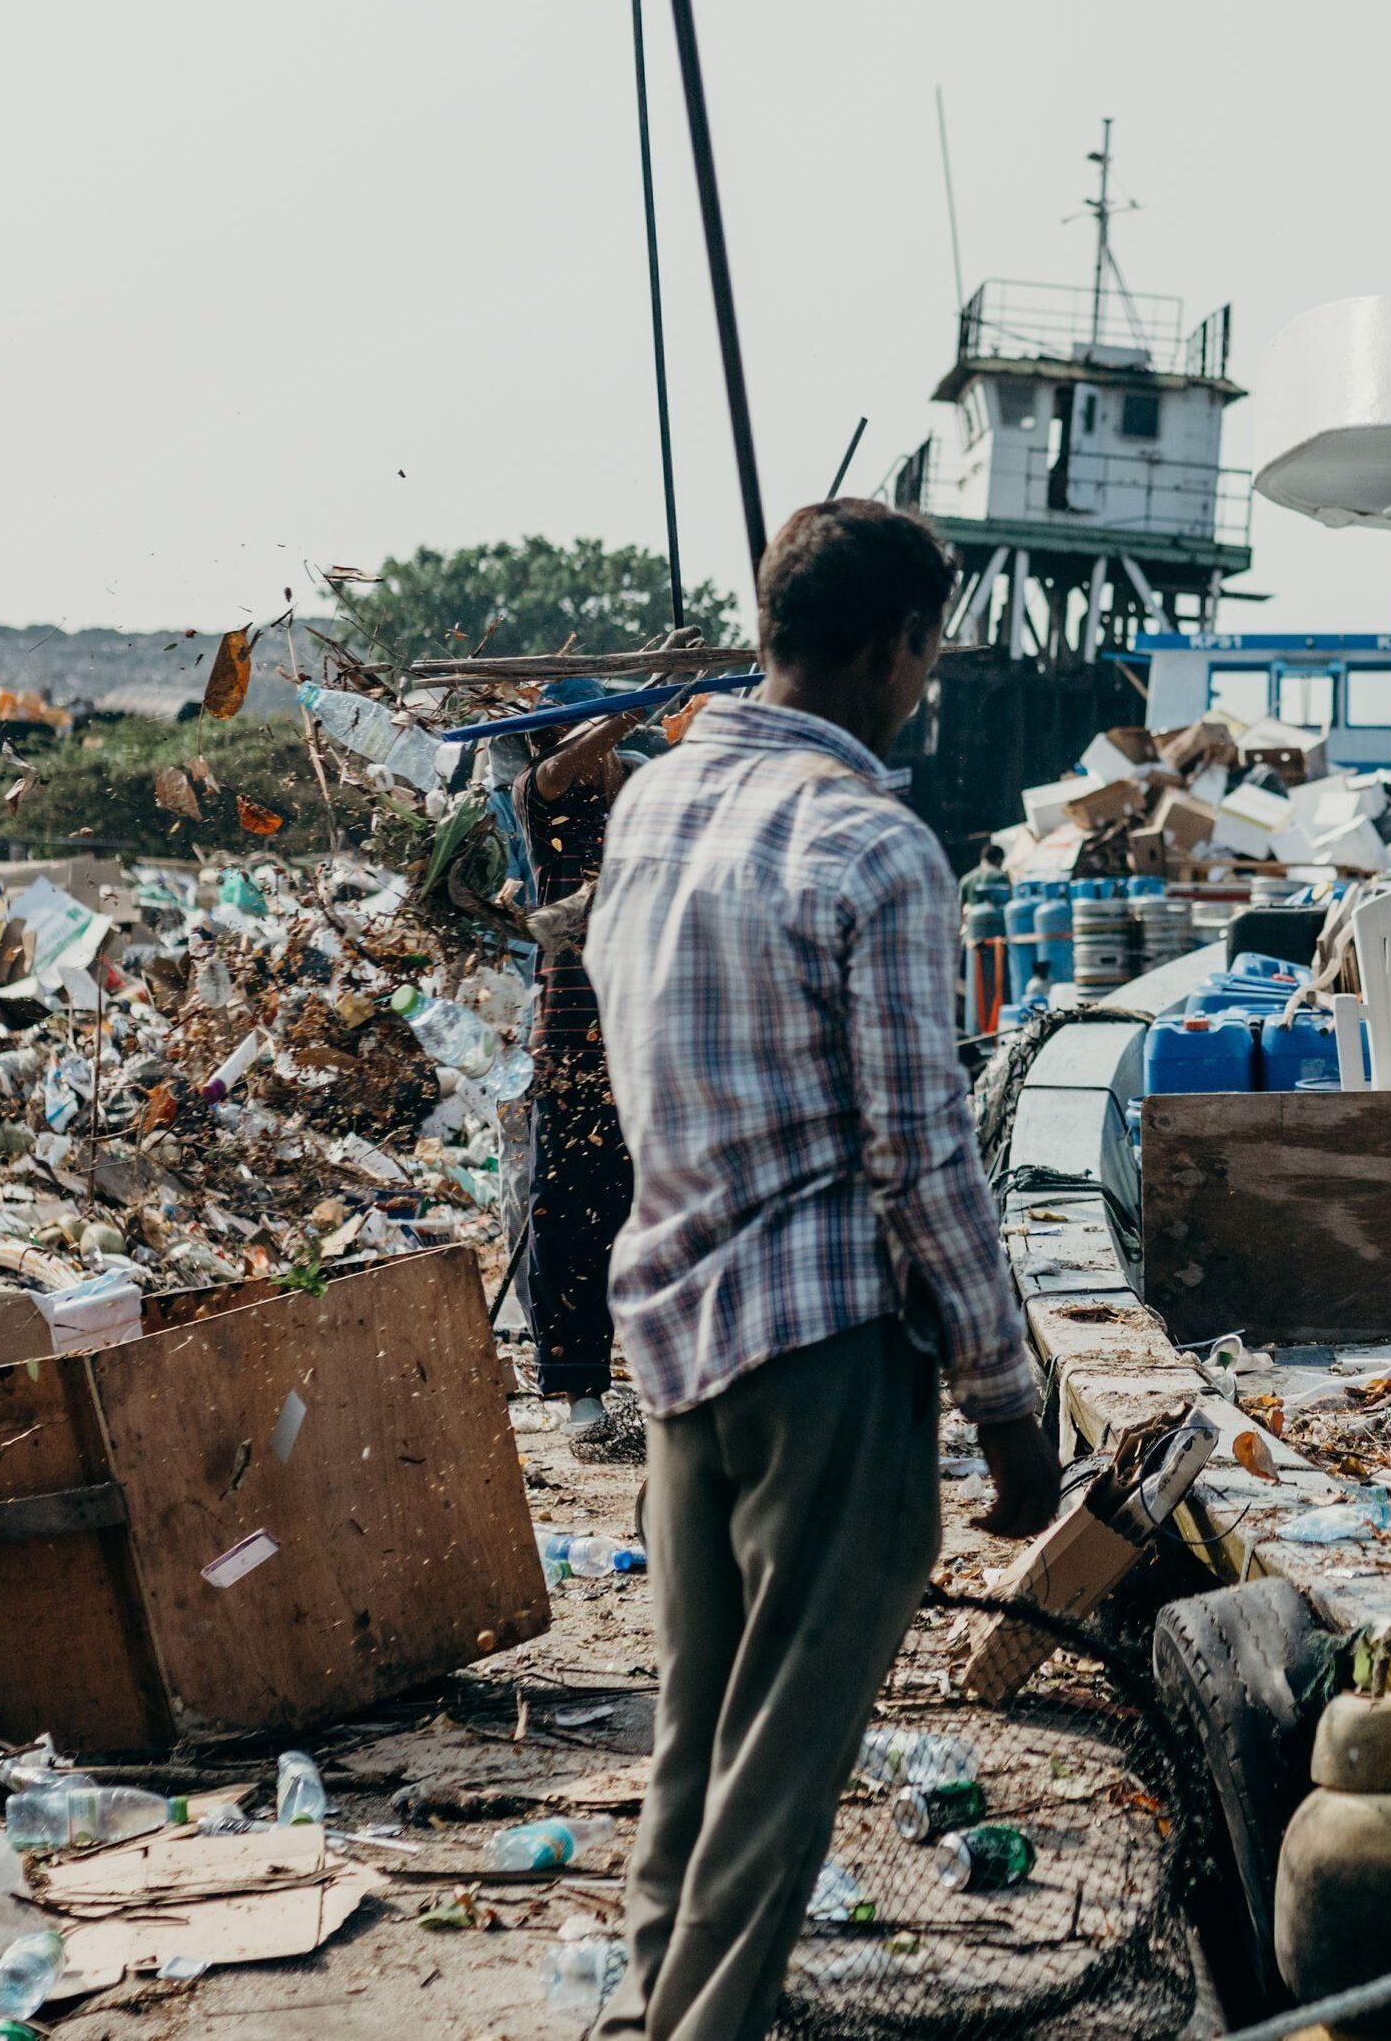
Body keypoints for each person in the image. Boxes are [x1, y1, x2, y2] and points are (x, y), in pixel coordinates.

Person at [586, 498, 1061, 2041]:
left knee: (698, 1729)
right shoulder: (878, 846)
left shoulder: (648, 807)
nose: (926, 678)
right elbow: (922, 1160)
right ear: (895, 647)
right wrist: (1006, 1399)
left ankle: (645, 2004)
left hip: (672, 1328)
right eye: (927, 651)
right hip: (825, 1354)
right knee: (781, 1756)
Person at [516, 694, 641, 1439]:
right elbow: (568, 765)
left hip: (639, 1030)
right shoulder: (539, 793)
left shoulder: (623, 791)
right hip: (569, 1043)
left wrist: (658, 699)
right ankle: (576, 1387)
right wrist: (634, 707)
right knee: (566, 1210)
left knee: (643, 1205)